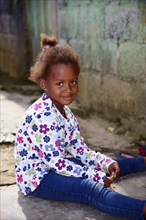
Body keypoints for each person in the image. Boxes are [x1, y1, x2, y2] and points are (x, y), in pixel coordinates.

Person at [14, 33, 146, 220]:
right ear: (44, 84)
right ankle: (142, 210)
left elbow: (79, 149)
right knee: (89, 188)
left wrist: (104, 162)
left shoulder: (66, 113)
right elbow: (57, 163)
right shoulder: (43, 116)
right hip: (38, 178)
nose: (68, 89)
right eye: (59, 83)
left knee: (102, 167)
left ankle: (142, 162)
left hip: (53, 167)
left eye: (73, 81)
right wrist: (95, 177)